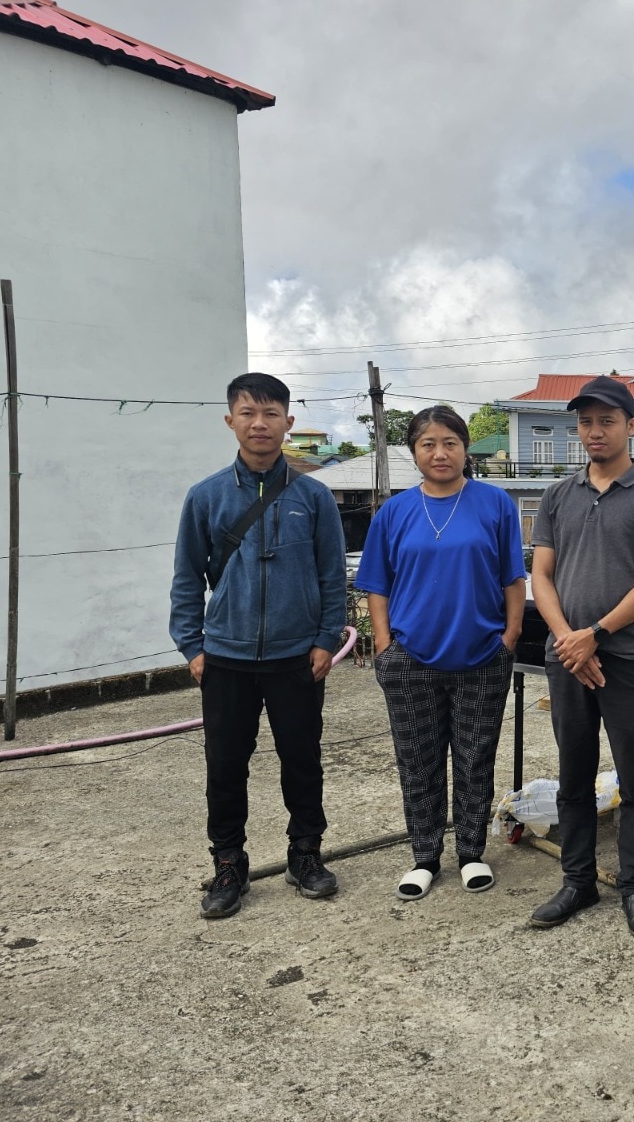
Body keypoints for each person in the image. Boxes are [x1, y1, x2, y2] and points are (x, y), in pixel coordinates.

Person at [170, 372, 347, 919]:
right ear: (231, 421)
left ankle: (305, 854)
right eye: (248, 413)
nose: (260, 423)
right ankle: (228, 864)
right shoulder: (206, 497)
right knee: (225, 766)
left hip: (298, 656)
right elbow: (186, 578)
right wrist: (193, 647)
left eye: (271, 414)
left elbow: (331, 575)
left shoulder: (314, 497)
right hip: (226, 657)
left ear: (288, 423)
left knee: (302, 760)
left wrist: (324, 640)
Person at [529, 376, 634, 941]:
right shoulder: (557, 495)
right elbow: (541, 576)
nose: (595, 431)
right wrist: (571, 639)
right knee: (574, 772)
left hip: (631, 656)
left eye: (607, 421)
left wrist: (596, 633)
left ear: (630, 426)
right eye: (586, 422)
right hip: (567, 656)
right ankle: (578, 880)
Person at [357, 405, 526, 901]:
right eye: (428, 444)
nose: (440, 452)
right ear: (414, 452)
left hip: (481, 656)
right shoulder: (393, 512)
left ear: (465, 448)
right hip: (410, 659)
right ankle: (424, 857)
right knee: (418, 760)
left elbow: (512, 578)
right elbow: (376, 586)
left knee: (475, 758)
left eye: (450, 442)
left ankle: (472, 853)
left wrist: (509, 636)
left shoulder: (494, 504)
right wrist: (386, 646)